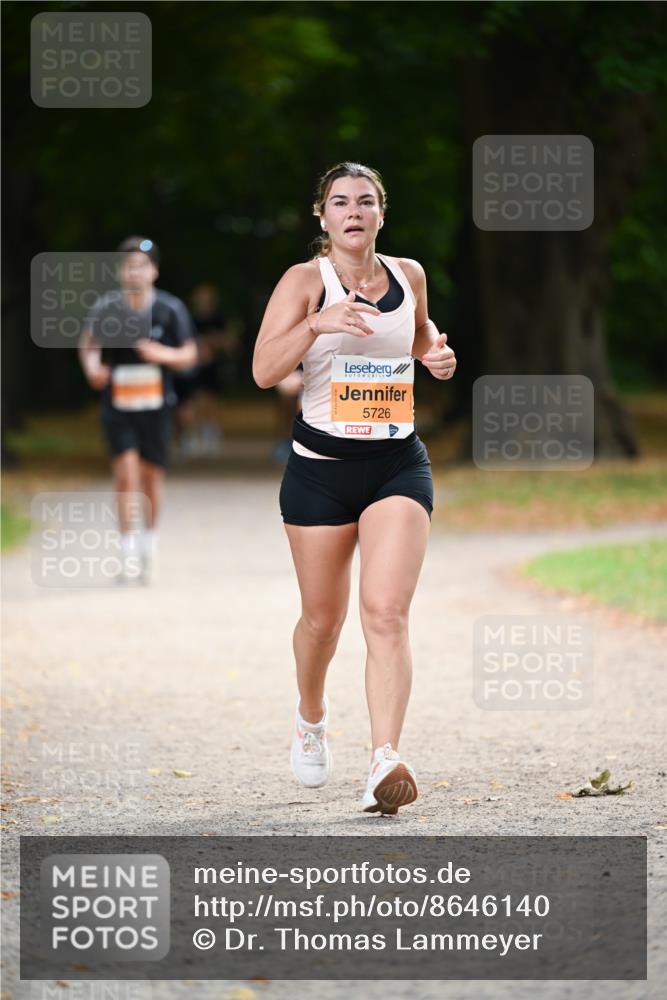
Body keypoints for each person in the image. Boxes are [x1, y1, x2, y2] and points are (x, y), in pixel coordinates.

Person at [252, 162, 457, 815]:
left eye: (365, 201)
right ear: (322, 215)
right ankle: (311, 715)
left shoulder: (408, 274)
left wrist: (433, 354)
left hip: (396, 464)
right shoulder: (303, 282)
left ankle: (384, 758)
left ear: (380, 213)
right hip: (318, 470)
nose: (353, 211)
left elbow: (420, 331)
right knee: (322, 620)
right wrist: (318, 323)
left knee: (386, 613)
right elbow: (262, 370)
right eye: (340, 201)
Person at [78, 236, 197, 582]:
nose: (135, 272)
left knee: (150, 477)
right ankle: (127, 548)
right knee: (125, 473)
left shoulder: (170, 309)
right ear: (119, 272)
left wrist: (163, 354)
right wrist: (92, 368)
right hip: (118, 403)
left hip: (157, 405)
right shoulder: (106, 308)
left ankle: (149, 544)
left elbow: (190, 354)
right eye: (128, 266)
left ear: (154, 271)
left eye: (142, 266)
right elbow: (89, 345)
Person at [174, 282, 238, 460]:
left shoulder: (220, 318)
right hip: (192, 365)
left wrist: (214, 342)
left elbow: (230, 341)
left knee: (211, 400)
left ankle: (210, 434)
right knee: (190, 401)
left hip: (213, 366)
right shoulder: (189, 318)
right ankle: (190, 436)